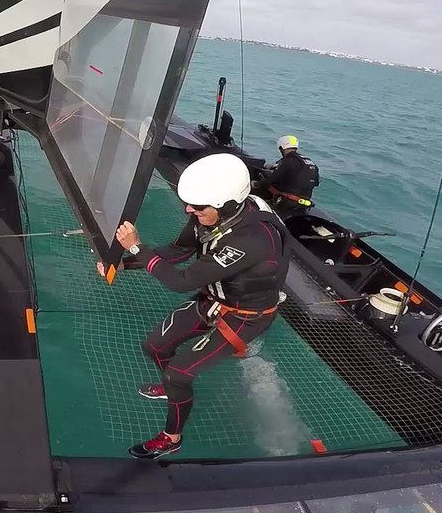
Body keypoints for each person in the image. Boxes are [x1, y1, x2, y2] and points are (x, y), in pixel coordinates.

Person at [98, 153, 288, 459]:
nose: (189, 209)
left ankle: (171, 438)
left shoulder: (251, 240)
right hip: (213, 299)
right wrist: (125, 264)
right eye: (190, 204)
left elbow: (181, 280)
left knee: (178, 374)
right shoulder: (210, 211)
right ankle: (172, 390)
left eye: (197, 206)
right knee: (154, 347)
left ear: (226, 205)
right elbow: (179, 251)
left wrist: (136, 247)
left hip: (245, 316)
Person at [252, 135, 320, 215]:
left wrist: (256, 184)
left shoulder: (288, 161)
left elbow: (272, 179)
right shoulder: (309, 161)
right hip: (304, 203)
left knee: (264, 176)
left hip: (287, 202)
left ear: (282, 148)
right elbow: (316, 183)